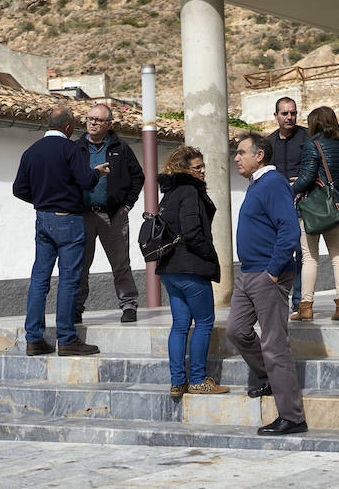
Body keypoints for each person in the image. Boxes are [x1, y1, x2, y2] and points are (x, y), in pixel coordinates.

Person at [227, 132, 307, 436]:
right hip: (248, 273)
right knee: (236, 330)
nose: (236, 157)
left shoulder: (273, 183)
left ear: (260, 155)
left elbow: (289, 231)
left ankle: (293, 416)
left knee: (275, 345)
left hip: (266, 274)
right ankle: (268, 377)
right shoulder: (257, 184)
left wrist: (272, 272)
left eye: (241, 152)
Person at [13, 107, 110, 356]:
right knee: (69, 280)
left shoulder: (31, 151)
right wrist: (97, 172)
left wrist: (43, 198)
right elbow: (86, 181)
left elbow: (18, 189)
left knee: (39, 279)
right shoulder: (70, 149)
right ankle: (67, 339)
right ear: (68, 128)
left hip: (42, 219)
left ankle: (34, 338)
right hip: (68, 220)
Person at [156, 146, 227, 396]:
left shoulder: (169, 193)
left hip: (170, 269)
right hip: (190, 267)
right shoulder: (189, 191)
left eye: (203, 166)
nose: (203, 171)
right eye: (198, 167)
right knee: (205, 322)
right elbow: (192, 232)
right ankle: (197, 379)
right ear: (184, 169)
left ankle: (178, 381)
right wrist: (210, 255)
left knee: (180, 325)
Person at [74, 103, 144, 324]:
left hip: (113, 215)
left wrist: (127, 206)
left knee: (121, 263)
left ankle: (129, 305)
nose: (92, 123)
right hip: (83, 215)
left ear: (109, 124)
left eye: (98, 120)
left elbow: (138, 177)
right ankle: (76, 308)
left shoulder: (120, 148)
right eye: (89, 119)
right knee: (81, 265)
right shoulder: (76, 148)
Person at [290, 106, 339, 322]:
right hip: (337, 207)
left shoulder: (311, 145)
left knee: (309, 257)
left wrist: (290, 188)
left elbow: (307, 178)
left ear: (314, 123)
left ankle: (305, 307)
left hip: (313, 209)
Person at [267, 97, 307, 313]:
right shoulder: (268, 142)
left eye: (293, 113)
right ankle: (277, 299)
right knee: (278, 252)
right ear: (276, 116)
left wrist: (300, 180)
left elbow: (315, 166)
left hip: (302, 204)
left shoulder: (307, 137)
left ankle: (299, 301)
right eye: (285, 113)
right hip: (276, 207)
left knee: (302, 253)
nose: (289, 117)